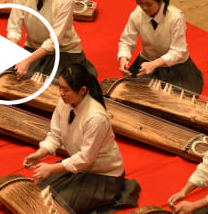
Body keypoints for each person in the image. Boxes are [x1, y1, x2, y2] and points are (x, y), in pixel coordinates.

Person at [23, 63, 140, 213]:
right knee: (42, 190)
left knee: (60, 205)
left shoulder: (96, 117)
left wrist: (52, 169)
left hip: (103, 175)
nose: (61, 93)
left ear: (83, 90)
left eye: (66, 90)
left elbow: (86, 158)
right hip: (80, 168)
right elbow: (55, 135)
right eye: (60, 87)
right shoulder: (64, 103)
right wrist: (40, 153)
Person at [6, 0, 97, 80]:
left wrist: (27, 61)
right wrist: (13, 48)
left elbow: (53, 42)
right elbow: (14, 28)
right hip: (34, 48)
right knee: (13, 77)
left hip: (64, 52)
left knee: (55, 86)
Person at [117, 0, 203, 94]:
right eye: (141, 4)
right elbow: (126, 41)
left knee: (175, 98)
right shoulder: (137, 14)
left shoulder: (175, 16)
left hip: (176, 67)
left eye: (149, 4)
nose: (144, 8)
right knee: (135, 93)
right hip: (147, 61)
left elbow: (178, 51)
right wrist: (123, 58)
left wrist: (154, 64)